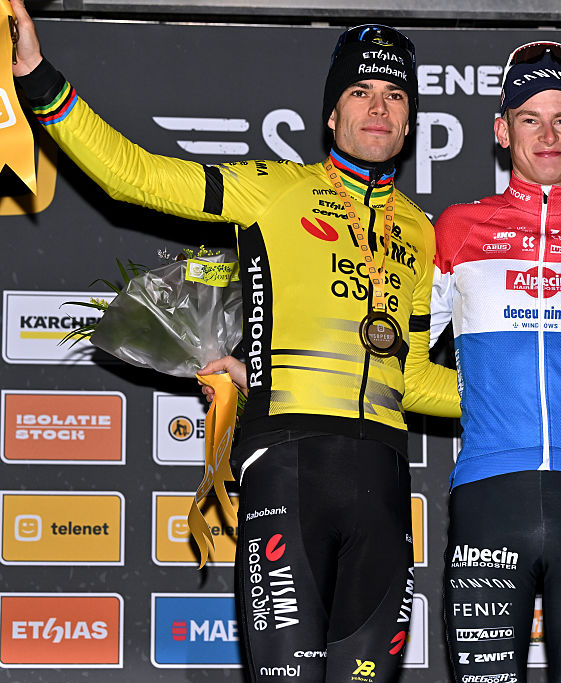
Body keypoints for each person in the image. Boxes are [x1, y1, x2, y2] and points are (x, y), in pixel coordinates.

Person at [10, 3, 460, 681]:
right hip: (289, 468)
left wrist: (541, 401)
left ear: (409, 120)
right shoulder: (275, 191)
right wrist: (41, 81)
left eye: (395, 95)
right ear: (331, 116)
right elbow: (132, 174)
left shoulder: (421, 233)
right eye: (360, 92)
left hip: (385, 482)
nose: (378, 108)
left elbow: (418, 378)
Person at [429, 41, 561, 683]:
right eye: (529, 118)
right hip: (491, 492)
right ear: (502, 130)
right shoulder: (457, 229)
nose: (547, 135)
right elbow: (398, 355)